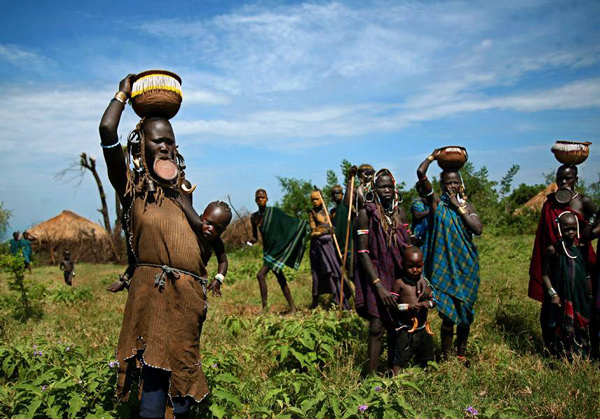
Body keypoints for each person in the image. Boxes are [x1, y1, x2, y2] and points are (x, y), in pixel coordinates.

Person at [99, 74, 208, 418]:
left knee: (184, 376)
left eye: (170, 142)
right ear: (140, 146)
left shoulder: (182, 193)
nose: (165, 147)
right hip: (154, 295)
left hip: (188, 298)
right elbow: (106, 131)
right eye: (157, 141)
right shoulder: (130, 188)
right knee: (156, 377)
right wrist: (123, 93)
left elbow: (204, 240)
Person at [354, 168, 423, 374]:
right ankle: (371, 376)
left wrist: (417, 275)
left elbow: (406, 245)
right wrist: (378, 287)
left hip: (397, 274)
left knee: (396, 324)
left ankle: (393, 371)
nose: (386, 190)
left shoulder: (400, 213)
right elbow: (363, 252)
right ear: (374, 189)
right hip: (376, 275)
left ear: (395, 189)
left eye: (390, 186)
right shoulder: (366, 214)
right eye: (382, 186)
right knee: (376, 326)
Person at [417, 149, 483, 362]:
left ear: (461, 184)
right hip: (444, 266)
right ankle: (446, 358)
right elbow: (420, 173)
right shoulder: (436, 204)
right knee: (447, 318)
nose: (452, 186)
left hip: (466, 267)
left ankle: (461, 355)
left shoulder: (467, 206)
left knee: (465, 316)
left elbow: (478, 229)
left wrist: (459, 208)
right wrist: (432, 157)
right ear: (442, 185)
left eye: (455, 182)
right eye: (448, 183)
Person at [529, 164, 597, 355]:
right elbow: (543, 238)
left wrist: (584, 238)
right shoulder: (550, 204)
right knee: (551, 309)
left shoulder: (583, 202)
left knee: (584, 305)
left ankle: (583, 349)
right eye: (560, 179)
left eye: (568, 179)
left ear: (576, 180)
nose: (564, 182)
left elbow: (597, 223)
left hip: (579, 264)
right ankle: (554, 350)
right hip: (556, 266)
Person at [107, 200, 232, 297]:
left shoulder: (216, 242)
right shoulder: (189, 226)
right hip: (165, 273)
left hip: (192, 280)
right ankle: (124, 279)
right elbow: (184, 202)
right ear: (200, 217)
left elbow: (223, 261)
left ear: (223, 231)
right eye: (208, 223)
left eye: (218, 228)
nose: (211, 229)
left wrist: (218, 279)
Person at [542, 212, 594, 358]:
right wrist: (553, 294)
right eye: (566, 229)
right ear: (560, 229)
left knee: (583, 326)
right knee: (563, 326)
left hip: (582, 295)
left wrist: (590, 291)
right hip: (563, 296)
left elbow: (587, 272)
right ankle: (564, 357)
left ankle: (583, 356)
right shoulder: (553, 250)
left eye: (573, 228)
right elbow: (544, 275)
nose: (570, 232)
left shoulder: (581, 247)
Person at [250, 189, 307, 313]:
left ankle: (264, 309)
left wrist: (304, 225)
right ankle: (293, 307)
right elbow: (255, 237)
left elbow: (289, 222)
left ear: (267, 199)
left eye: (262, 197)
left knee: (260, 275)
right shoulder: (254, 217)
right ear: (255, 200)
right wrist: (251, 241)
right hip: (267, 250)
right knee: (280, 278)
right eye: (258, 198)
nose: (260, 199)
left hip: (276, 250)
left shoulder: (274, 212)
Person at [391, 247, 436, 374]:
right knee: (400, 358)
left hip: (423, 327)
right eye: (411, 266)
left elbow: (435, 300)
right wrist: (408, 307)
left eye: (418, 266)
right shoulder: (399, 284)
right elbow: (393, 306)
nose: (415, 269)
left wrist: (428, 303)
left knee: (426, 357)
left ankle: (427, 382)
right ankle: (395, 383)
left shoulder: (425, 283)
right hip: (406, 328)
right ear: (403, 265)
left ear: (422, 265)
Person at [308, 190, 349, 309]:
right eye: (312, 200)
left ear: (322, 199)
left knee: (334, 272)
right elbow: (313, 233)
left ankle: (339, 301)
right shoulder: (312, 213)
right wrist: (326, 231)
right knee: (317, 275)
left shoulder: (329, 212)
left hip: (329, 247)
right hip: (318, 248)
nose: (314, 201)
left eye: (316, 199)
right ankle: (315, 303)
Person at [410, 182, 430, 249]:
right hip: (419, 234)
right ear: (419, 189)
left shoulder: (430, 201)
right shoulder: (417, 202)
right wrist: (432, 211)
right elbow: (417, 216)